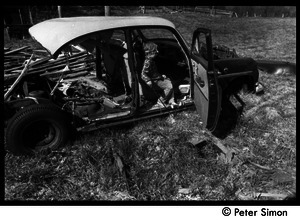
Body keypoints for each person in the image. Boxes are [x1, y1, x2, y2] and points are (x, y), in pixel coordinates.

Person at [141, 42, 177, 108]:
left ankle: (171, 101)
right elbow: (143, 74)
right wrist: (148, 80)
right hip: (154, 81)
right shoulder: (148, 62)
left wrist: (160, 76)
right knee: (169, 86)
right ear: (150, 52)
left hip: (156, 78)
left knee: (169, 81)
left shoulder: (151, 60)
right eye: (155, 50)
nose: (157, 52)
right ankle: (161, 101)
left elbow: (153, 72)